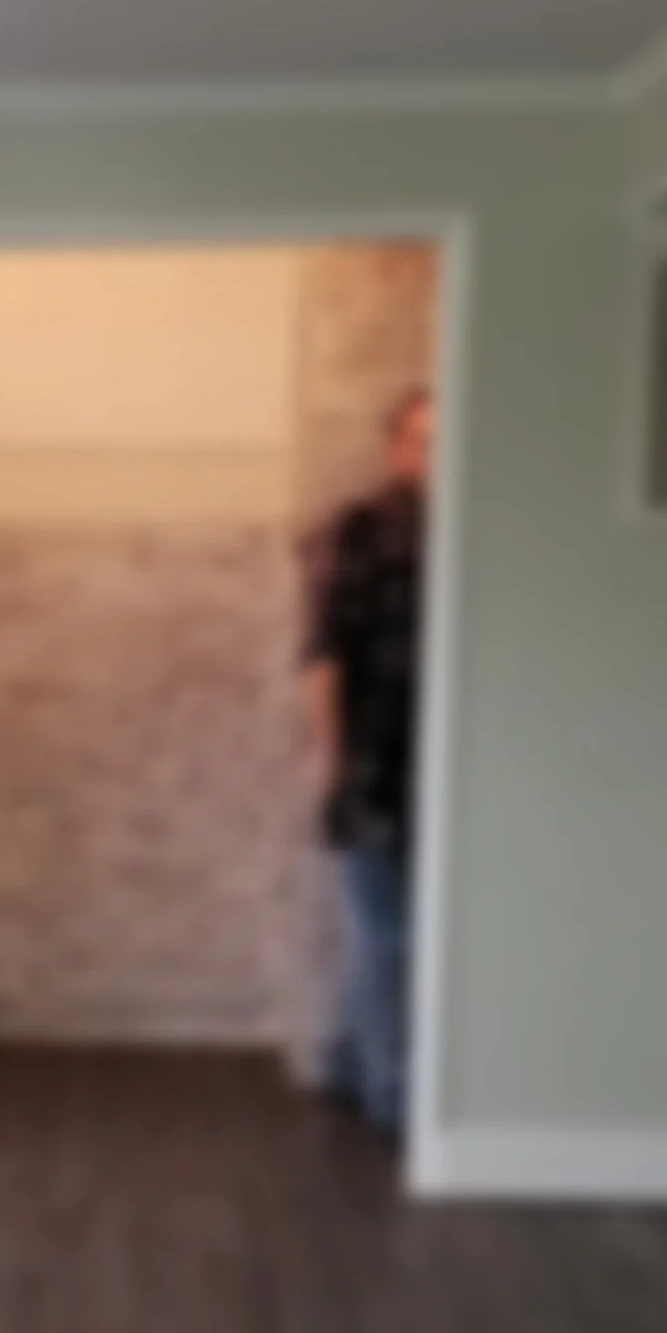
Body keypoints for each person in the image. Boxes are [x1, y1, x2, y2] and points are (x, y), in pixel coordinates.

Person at [302, 386, 434, 1137]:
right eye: (421, 439)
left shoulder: (473, 532)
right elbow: (320, 655)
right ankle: (390, 1091)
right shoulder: (358, 530)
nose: (434, 455)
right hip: (374, 765)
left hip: (446, 771)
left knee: (390, 931)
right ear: (395, 448)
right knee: (387, 933)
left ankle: (349, 1061)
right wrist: (329, 758)